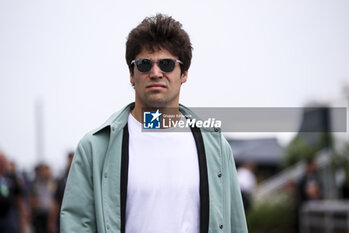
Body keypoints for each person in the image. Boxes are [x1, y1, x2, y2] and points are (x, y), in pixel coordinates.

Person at [60, 14, 248, 233]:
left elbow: (235, 224)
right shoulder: (95, 148)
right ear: (132, 74)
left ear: (184, 73)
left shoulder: (215, 147)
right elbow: (76, 225)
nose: (155, 72)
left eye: (167, 64)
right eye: (144, 64)